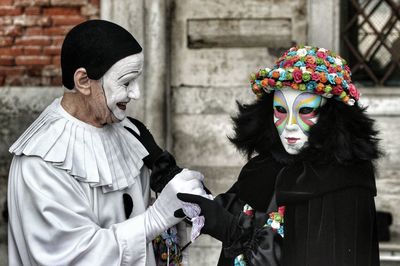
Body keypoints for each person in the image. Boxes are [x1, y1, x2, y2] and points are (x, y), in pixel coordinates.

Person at [140, 46, 381, 265]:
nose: (290, 126)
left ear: (334, 116)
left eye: (305, 110)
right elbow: (222, 211)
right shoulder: (266, 167)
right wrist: (164, 169)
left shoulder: (345, 184)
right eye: (280, 110)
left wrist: (232, 231)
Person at [7, 19, 208, 266]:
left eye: (137, 80)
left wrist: (175, 200)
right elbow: (69, 256)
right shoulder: (41, 163)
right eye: (125, 82)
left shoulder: (129, 132)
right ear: (83, 81)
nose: (136, 94)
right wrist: (154, 219)